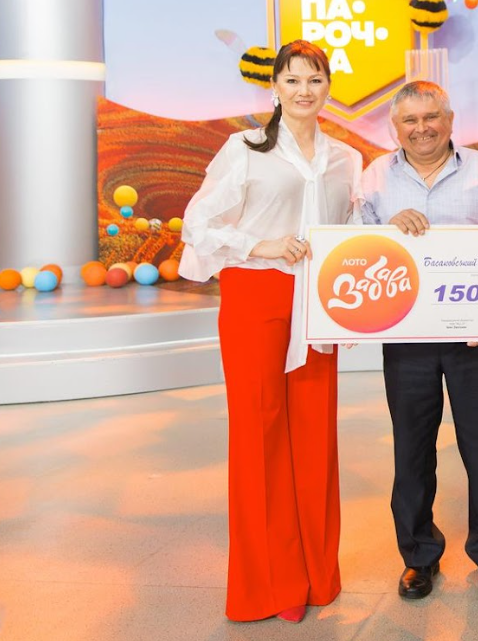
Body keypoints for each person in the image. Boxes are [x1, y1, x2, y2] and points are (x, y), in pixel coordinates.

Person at [179, 40, 364, 623]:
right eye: (292, 80)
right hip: (256, 297)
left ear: (328, 87)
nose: (304, 90)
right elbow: (197, 223)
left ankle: (316, 575)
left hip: (317, 303)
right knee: (259, 436)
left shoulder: (346, 158)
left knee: (314, 436)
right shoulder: (244, 148)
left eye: (315, 79)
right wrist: (262, 245)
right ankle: (265, 586)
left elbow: (353, 230)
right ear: (275, 88)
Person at [359, 80, 478, 599]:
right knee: (411, 449)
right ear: (395, 127)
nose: (422, 128)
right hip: (406, 335)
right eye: (409, 120)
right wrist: (387, 229)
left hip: (475, 337)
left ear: (450, 120)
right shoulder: (375, 177)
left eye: (431, 117)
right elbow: (355, 247)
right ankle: (418, 556)